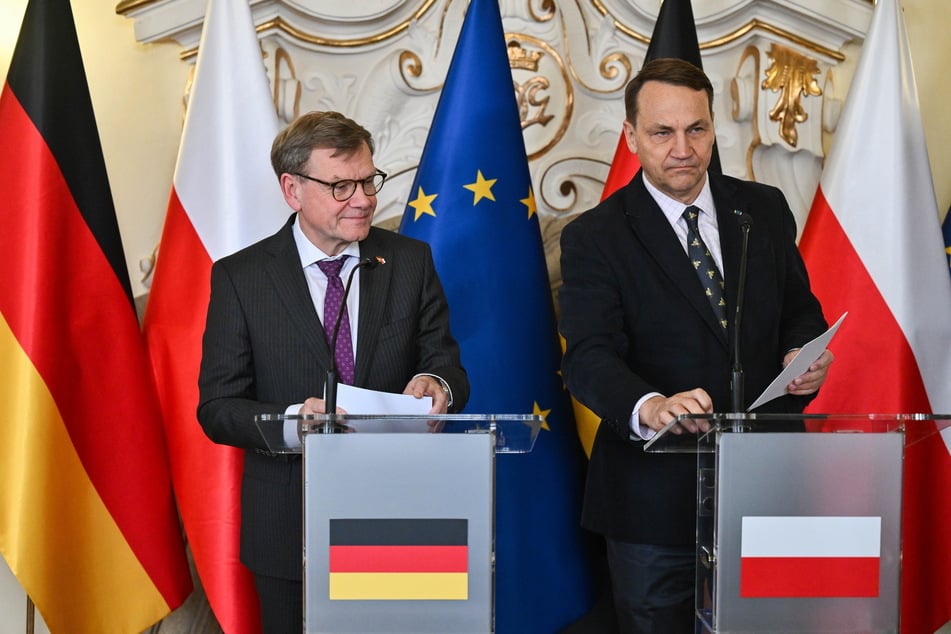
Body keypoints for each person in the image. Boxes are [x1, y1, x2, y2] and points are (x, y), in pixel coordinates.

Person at [558, 58, 833, 633]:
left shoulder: (763, 208)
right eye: (663, 132)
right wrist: (649, 406)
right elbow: (588, 356)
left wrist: (801, 355)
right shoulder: (595, 236)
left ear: (712, 128)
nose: (682, 148)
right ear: (631, 137)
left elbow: (799, 312)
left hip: (769, 485)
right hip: (653, 506)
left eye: (697, 129)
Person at [197, 111, 469, 632]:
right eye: (342, 185)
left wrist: (439, 386)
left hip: (402, 514)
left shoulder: (410, 261)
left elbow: (447, 366)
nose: (364, 198)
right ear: (292, 189)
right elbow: (217, 409)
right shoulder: (241, 277)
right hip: (288, 525)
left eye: (368, 180)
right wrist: (292, 420)